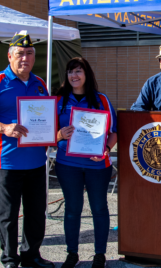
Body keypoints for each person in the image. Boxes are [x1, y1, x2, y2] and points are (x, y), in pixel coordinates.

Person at [0, 31, 54, 268]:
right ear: (9, 56)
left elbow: (47, 118)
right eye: (19, 54)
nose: (24, 58)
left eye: (29, 53)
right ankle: (9, 259)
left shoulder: (40, 84)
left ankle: (31, 256)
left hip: (37, 160)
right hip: (5, 162)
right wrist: (3, 127)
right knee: (7, 215)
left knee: (36, 213)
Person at [55, 57, 117, 268]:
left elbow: (114, 131)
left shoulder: (102, 99)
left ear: (86, 74)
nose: (74, 75)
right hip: (67, 164)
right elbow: (47, 134)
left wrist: (106, 149)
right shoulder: (59, 100)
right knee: (72, 209)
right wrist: (59, 135)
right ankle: (72, 253)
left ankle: (100, 254)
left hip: (97, 165)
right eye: (71, 72)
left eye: (78, 71)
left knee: (99, 208)